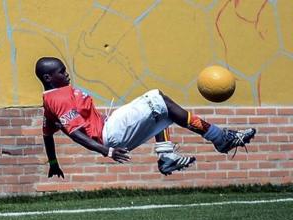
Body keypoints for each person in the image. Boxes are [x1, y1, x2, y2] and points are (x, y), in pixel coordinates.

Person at [35, 57, 256, 177]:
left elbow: (47, 135)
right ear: (48, 77)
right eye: (61, 72)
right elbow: (75, 134)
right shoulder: (58, 99)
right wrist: (107, 151)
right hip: (108, 136)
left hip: (108, 126)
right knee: (157, 98)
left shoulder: (51, 99)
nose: (66, 74)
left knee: (160, 108)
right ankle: (220, 138)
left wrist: (53, 163)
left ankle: (167, 156)